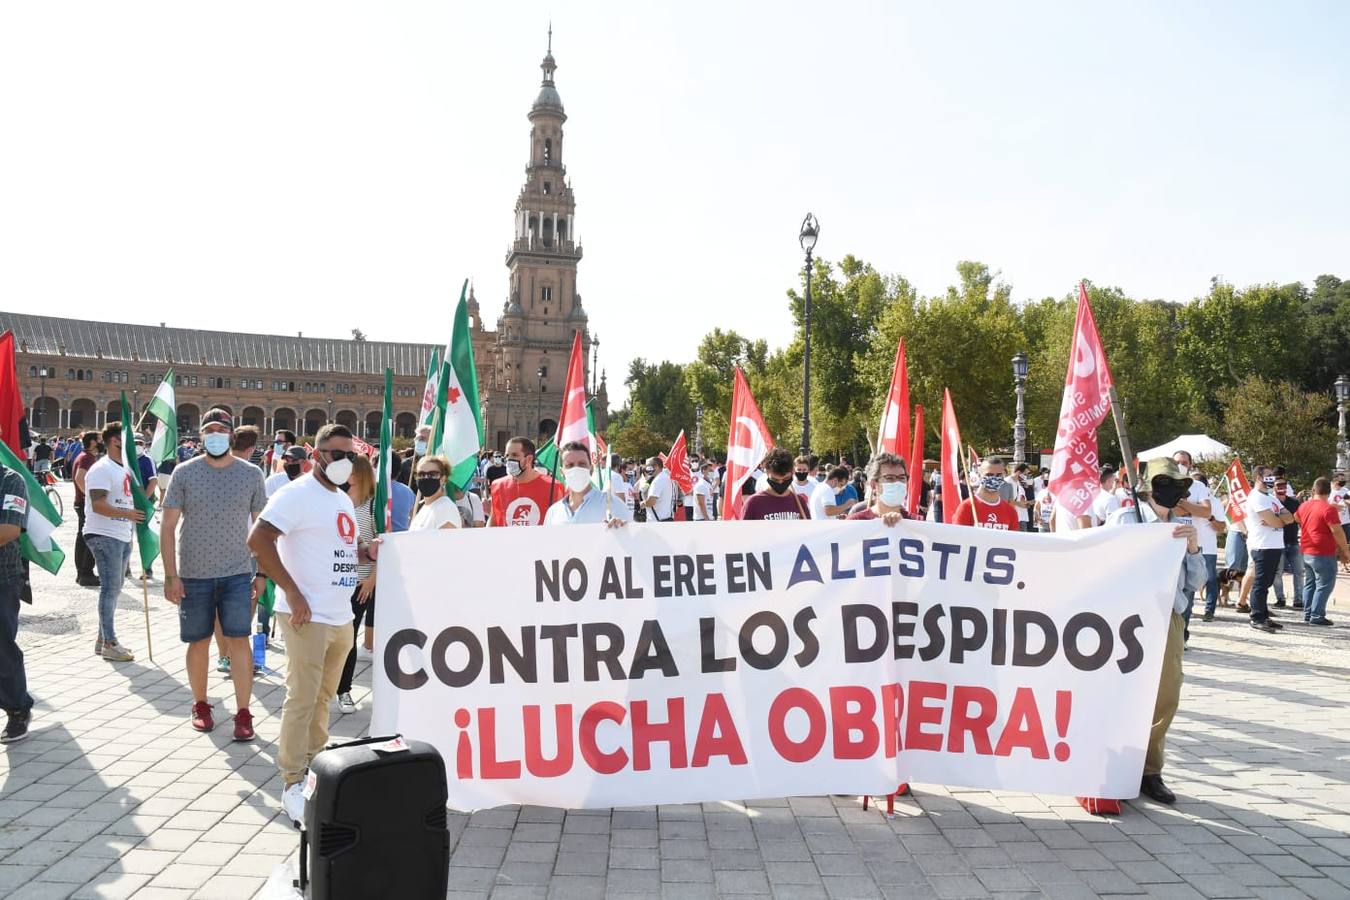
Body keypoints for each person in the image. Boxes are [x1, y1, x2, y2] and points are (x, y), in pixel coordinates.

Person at [248, 423, 376, 826]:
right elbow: (259, 540)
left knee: (322, 698)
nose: (343, 461)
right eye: (336, 453)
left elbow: (334, 547)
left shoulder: (339, 498)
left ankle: (314, 767)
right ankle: (290, 782)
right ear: (315, 453)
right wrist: (292, 592)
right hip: (306, 614)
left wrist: (364, 549)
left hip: (340, 614)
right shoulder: (296, 494)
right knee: (301, 697)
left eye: (350, 455)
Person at [160, 408, 266, 739]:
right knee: (198, 642)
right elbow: (167, 526)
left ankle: (244, 712)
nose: (215, 434)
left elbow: (263, 526)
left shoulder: (251, 474)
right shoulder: (184, 472)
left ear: (231, 435)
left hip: (236, 573)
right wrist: (169, 575)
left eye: (222, 429)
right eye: (209, 430)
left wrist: (261, 572)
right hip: (193, 574)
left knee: (239, 641)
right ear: (201, 436)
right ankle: (201, 704)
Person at [1103, 458, 1204, 805]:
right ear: (1149, 485)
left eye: (1180, 484)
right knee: (1119, 690)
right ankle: (1111, 763)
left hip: (1169, 614)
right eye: (1167, 482)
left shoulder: (1183, 525)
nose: (1175, 490)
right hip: (1126, 616)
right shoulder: (1126, 517)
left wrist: (1193, 548)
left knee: (1166, 694)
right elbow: (1103, 561)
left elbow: (1196, 582)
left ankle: (1149, 769)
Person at [84, 422, 145, 662]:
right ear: (114, 441)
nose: (133, 443)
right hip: (103, 534)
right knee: (110, 589)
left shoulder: (124, 468)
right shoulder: (102, 468)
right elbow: (98, 504)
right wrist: (128, 515)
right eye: (127, 438)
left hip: (121, 534)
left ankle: (102, 640)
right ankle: (110, 642)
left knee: (115, 588)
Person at [335, 455, 379, 714]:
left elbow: (382, 545)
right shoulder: (336, 501)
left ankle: (344, 689)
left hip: (359, 582)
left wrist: (371, 580)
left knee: (348, 637)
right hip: (333, 580)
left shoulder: (372, 506)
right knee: (334, 636)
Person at [0, 457, 33, 742]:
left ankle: (18, 708)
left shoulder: (11, 481)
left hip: (3, 577)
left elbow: (10, 530)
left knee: (2, 646)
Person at [1244, 465, 1295, 633]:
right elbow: (1277, 521)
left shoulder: (1271, 497)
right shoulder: (1256, 497)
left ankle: (1264, 615)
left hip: (1274, 545)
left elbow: (1290, 517)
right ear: (1259, 477)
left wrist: (1277, 518)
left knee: (1266, 583)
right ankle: (1256, 617)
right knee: (1260, 583)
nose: (1272, 478)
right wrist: (1278, 519)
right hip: (1262, 545)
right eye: (1268, 476)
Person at [1296, 477, 1350, 626]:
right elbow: (1337, 531)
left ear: (1314, 490)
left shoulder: (1304, 506)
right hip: (1323, 551)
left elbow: (1296, 517)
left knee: (1310, 583)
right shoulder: (1329, 509)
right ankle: (1317, 615)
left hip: (1306, 549)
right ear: (1329, 491)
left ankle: (1308, 613)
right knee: (1325, 584)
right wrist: (1345, 550)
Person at [545, 441, 630, 526]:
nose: (576, 469)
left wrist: (623, 531)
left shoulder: (614, 505)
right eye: (570, 465)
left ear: (591, 469)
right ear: (561, 472)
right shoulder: (553, 513)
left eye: (582, 464)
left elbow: (634, 536)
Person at [487, 437, 560, 527]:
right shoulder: (498, 486)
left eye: (514, 455)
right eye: (507, 455)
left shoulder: (554, 487)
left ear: (529, 459)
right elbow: (493, 521)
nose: (509, 459)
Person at [1188, 473, 1226, 624]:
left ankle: (1209, 610)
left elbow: (1222, 527)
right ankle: (1187, 609)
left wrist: (1210, 517)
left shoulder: (1214, 503)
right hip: (1190, 545)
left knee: (1210, 579)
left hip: (1208, 546)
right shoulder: (1185, 499)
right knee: (1189, 578)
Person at [741, 448, 811, 521]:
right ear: (767, 473)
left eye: (785, 479)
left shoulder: (799, 502)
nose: (780, 483)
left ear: (793, 471)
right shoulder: (753, 503)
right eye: (775, 479)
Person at [952, 458, 1019, 530]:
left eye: (999, 475)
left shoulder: (1010, 512)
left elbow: (1012, 540)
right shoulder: (967, 507)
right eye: (989, 475)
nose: (994, 478)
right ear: (980, 476)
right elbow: (958, 538)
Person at [71, 430, 102, 587]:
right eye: (99, 439)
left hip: (80, 502)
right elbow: (79, 478)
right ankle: (86, 572)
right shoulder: (87, 458)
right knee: (90, 537)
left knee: (82, 537)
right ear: (92, 442)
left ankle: (82, 573)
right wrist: (90, 498)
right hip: (84, 503)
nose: (102, 441)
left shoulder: (84, 456)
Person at [1271, 478, 1304, 610]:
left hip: (1293, 541)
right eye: (1278, 485)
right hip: (1277, 543)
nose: (1281, 487)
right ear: (1273, 487)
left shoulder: (1294, 502)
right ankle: (1280, 599)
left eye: (1284, 485)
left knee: (1299, 571)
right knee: (1277, 572)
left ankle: (1299, 600)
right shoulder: (1271, 502)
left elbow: (1301, 519)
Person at [411, 455, 463, 531]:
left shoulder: (446, 508)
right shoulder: (425, 508)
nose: (426, 478)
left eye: (432, 475)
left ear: (442, 479)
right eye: (421, 474)